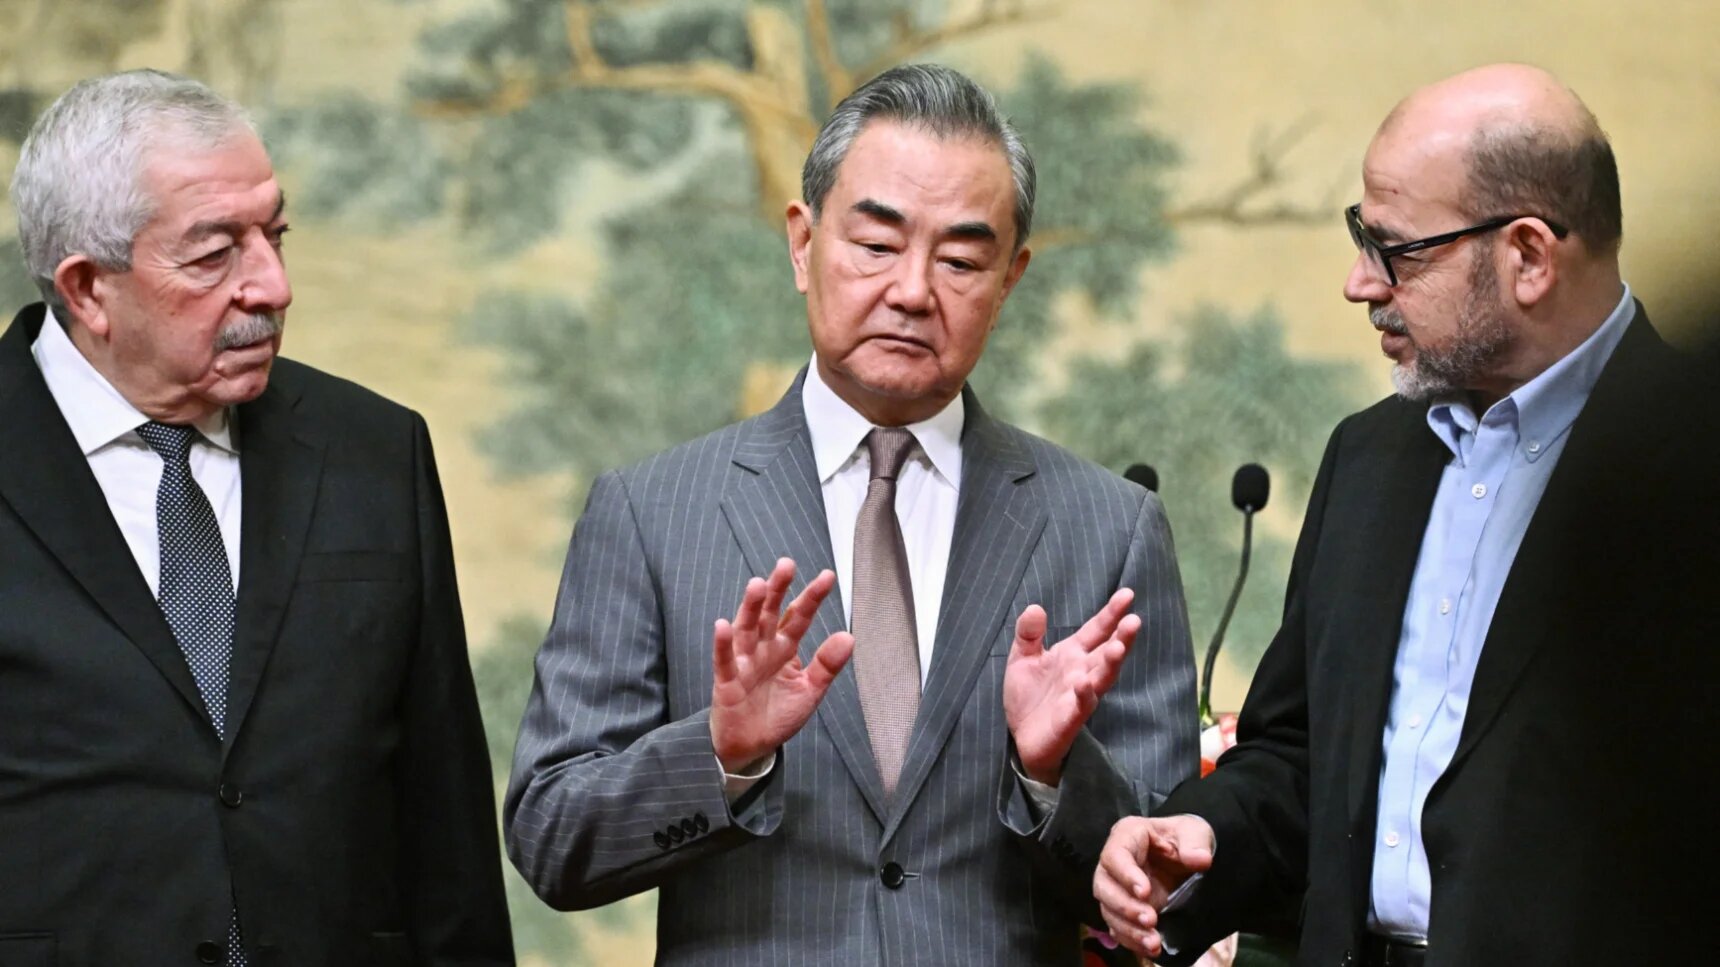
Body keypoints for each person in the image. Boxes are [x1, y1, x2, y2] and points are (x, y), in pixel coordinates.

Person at [505, 63, 1197, 965]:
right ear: (802, 243)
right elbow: (554, 837)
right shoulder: (650, 513)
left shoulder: (1109, 526)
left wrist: (1050, 772)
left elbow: (1173, 880)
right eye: (876, 244)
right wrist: (721, 754)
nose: (913, 290)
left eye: (959, 259)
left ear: (1010, 278)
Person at [1094, 63, 1720, 967]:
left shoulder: (1683, 478)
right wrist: (1199, 837)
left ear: (1530, 257)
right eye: (1362, 237)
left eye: (1397, 249)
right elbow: (1302, 757)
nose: (1360, 282)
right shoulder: (1370, 457)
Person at [0, 70, 514, 965]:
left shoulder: (375, 452)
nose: (271, 286)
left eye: (274, 235)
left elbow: (446, 832)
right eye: (214, 255)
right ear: (86, 289)